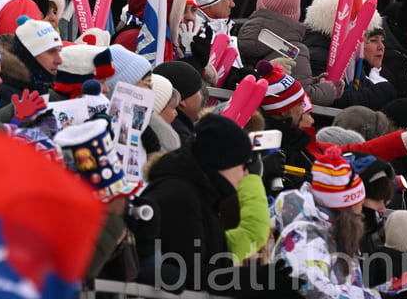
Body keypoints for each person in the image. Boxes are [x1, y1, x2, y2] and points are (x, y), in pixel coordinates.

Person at [137, 114, 272, 292]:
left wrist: (261, 278)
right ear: (224, 161)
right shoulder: (178, 196)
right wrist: (258, 281)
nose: (246, 174)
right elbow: (189, 275)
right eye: (244, 165)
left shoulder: (202, 196)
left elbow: (215, 263)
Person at [273, 146, 376, 299]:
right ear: (346, 207)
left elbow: (344, 288)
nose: (361, 211)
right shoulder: (305, 235)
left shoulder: (334, 231)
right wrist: (377, 296)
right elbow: (313, 290)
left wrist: (388, 290)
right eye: (358, 203)